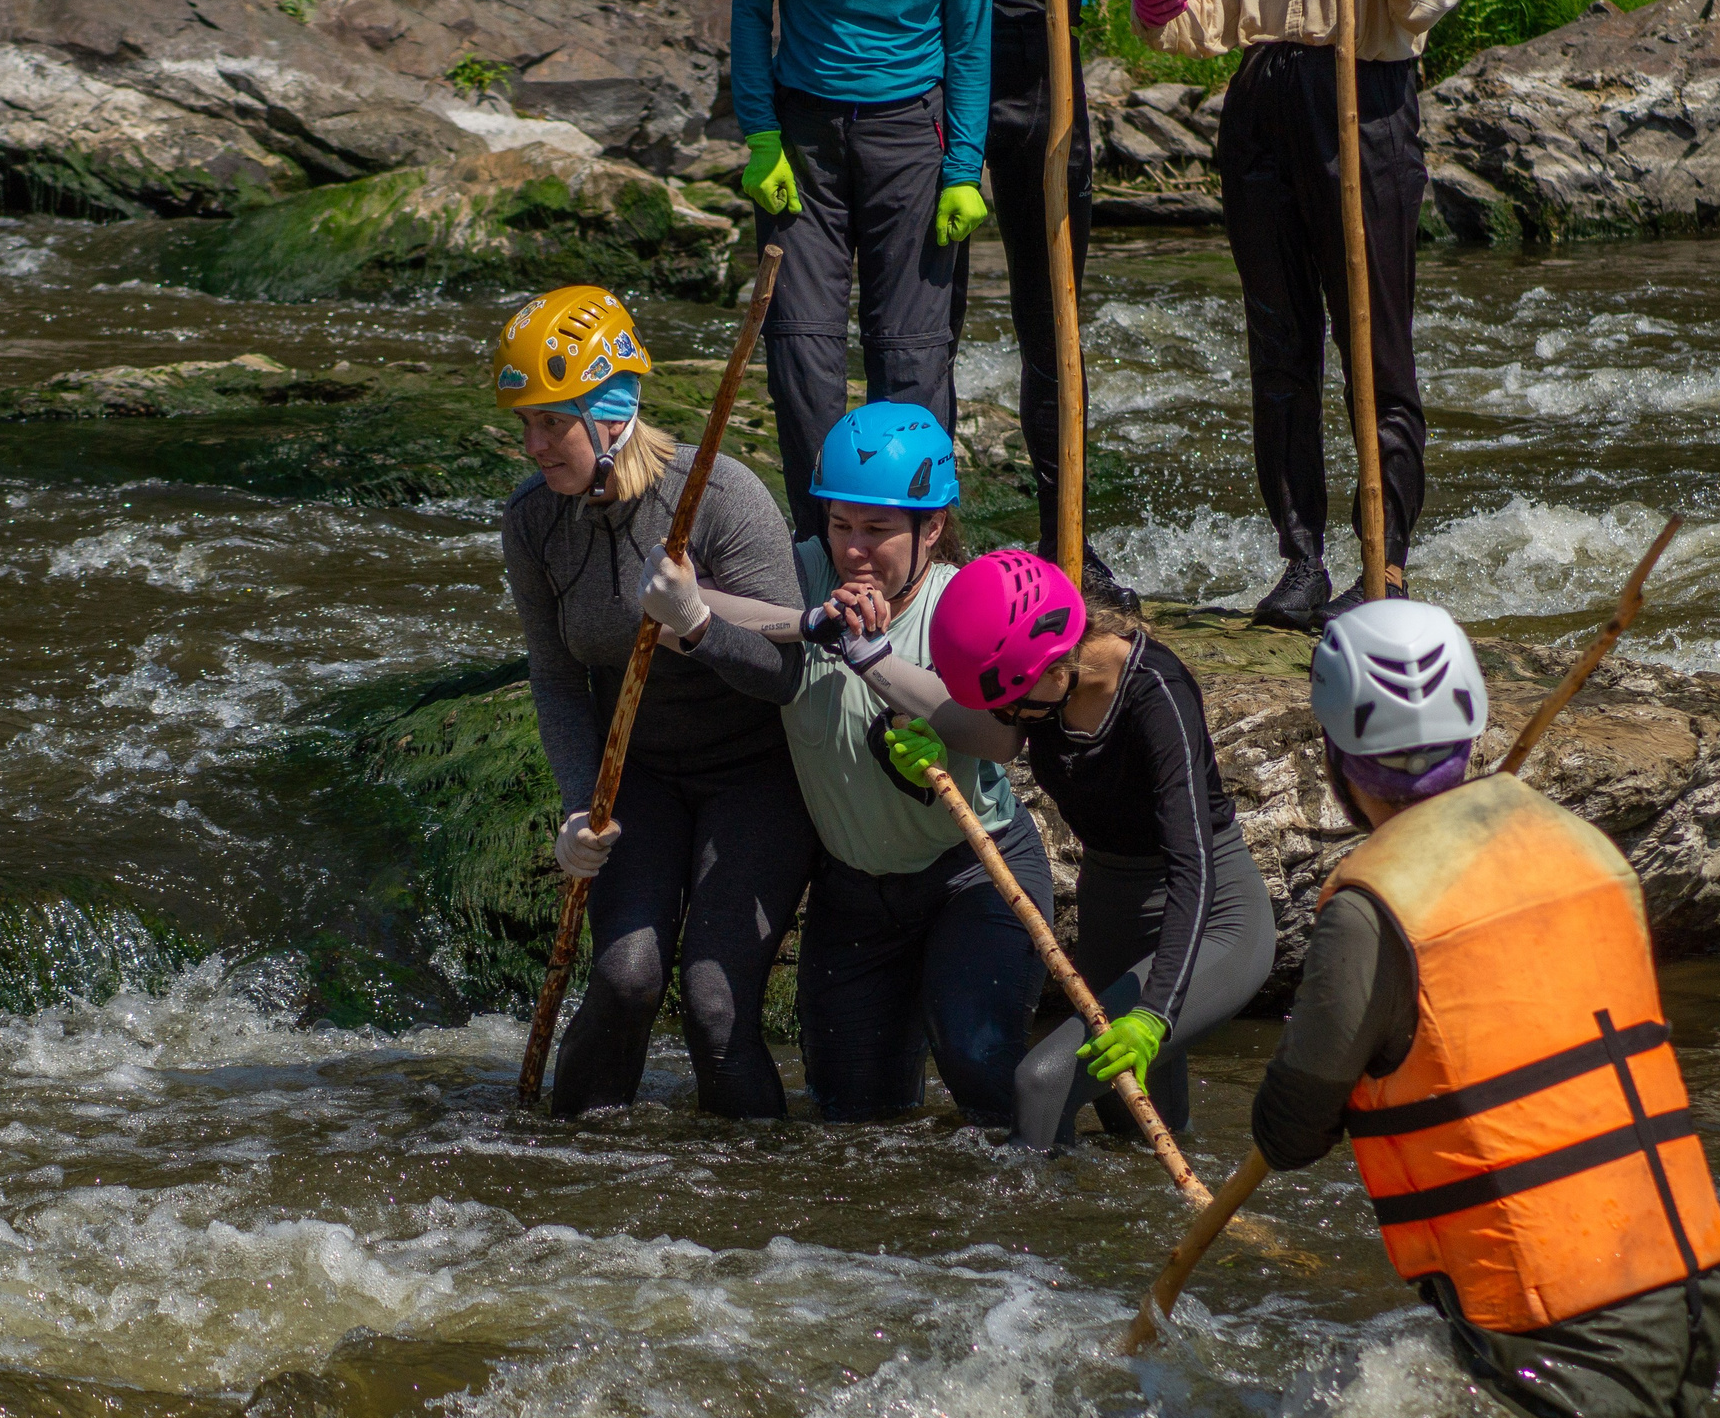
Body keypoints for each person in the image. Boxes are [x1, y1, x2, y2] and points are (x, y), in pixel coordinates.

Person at [1252, 599, 1720, 1418]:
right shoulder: (1585, 845)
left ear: (1337, 755)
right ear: (1473, 721)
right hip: (1692, 1273)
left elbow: (1292, 1129)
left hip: (1558, 1311)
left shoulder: (1373, 906)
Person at [1131, 0, 1464, 627]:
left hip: (1363, 102)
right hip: (1266, 107)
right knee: (1279, 349)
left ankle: (1384, 561)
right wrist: (1164, 11)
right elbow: (1207, 5)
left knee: (1374, 344)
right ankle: (1302, 560)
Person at [493, 286, 815, 1120]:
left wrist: (701, 624)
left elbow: (790, 676)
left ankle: (754, 1200)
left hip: (756, 776)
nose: (532, 445)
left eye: (550, 423)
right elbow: (559, 676)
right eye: (523, 423)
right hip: (639, 774)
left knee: (713, 1003)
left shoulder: (722, 497)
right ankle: (567, 1177)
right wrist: (576, 813)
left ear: (611, 412)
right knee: (626, 977)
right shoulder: (533, 523)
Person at [696, 404, 1054, 1125]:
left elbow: (1001, 741)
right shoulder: (796, 573)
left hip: (973, 875)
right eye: (841, 525)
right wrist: (802, 624)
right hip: (854, 897)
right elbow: (686, 602)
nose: (854, 551)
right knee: (853, 1118)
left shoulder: (964, 598)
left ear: (932, 527)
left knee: (976, 1061)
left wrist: (878, 664)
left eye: (878, 530)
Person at [862, 550, 1276, 1149]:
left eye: (1011, 704)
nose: (1005, 717)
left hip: (1212, 918)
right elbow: (991, 735)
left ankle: (1023, 1238)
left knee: (1043, 1080)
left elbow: (1195, 865)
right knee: (1132, 1131)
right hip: (1112, 902)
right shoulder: (1042, 683)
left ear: (1057, 668)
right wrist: (934, 750)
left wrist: (1154, 1013)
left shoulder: (1157, 691)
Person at [731, 0, 997, 543]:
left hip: (911, 141)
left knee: (910, 358)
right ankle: (820, 551)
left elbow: (970, 44)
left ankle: (916, 557)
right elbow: (749, 12)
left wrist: (961, 167)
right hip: (805, 140)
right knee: (802, 354)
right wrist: (762, 137)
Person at [943, 0, 1159, 602]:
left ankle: (1065, 531)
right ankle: (930, 535)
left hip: (1045, 78)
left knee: (1051, 317)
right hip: (943, 73)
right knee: (931, 323)